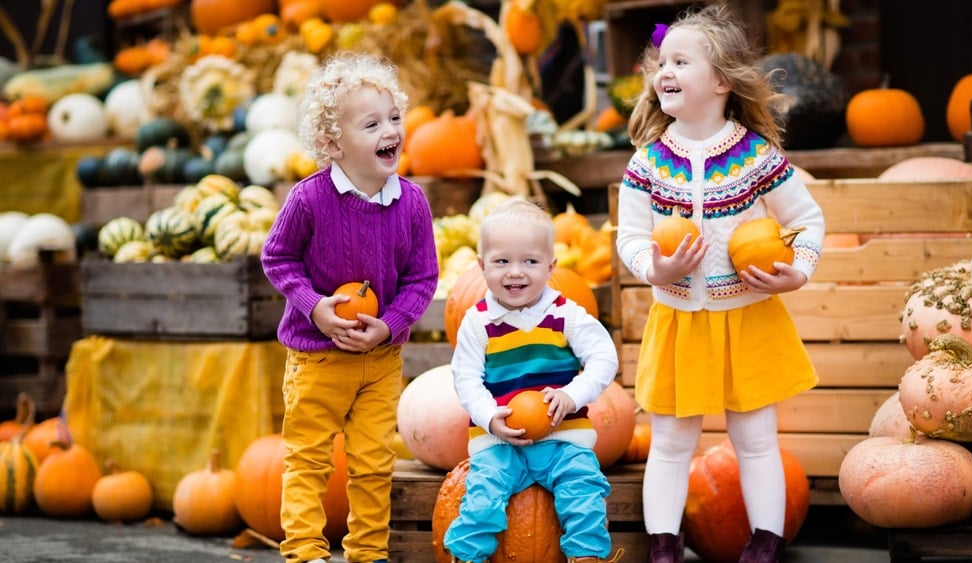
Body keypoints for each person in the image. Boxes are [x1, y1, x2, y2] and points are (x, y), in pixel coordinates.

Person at [615, 4, 825, 563]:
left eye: (681, 61)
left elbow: (807, 220)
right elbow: (630, 237)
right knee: (671, 443)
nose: (665, 71)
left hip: (749, 317)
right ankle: (664, 545)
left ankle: (764, 543)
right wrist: (654, 270)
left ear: (722, 81)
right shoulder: (648, 163)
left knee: (756, 442)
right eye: (662, 61)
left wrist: (797, 271)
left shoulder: (757, 157)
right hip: (679, 320)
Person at [261, 51, 438, 563]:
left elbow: (422, 278)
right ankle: (305, 551)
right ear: (332, 142)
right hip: (317, 357)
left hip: (379, 361)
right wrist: (313, 306)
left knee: (374, 462)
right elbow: (278, 258)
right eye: (372, 123)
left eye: (394, 118)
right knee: (309, 458)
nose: (391, 131)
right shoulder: (308, 199)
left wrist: (390, 326)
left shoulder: (412, 203)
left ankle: (367, 553)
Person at [444, 199, 623, 563]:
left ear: (551, 266)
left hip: (562, 437)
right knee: (481, 496)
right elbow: (466, 379)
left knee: (583, 489)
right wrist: (489, 416)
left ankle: (586, 556)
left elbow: (604, 358)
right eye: (501, 261)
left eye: (530, 261)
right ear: (481, 267)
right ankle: (466, 556)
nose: (515, 272)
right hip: (500, 440)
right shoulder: (477, 324)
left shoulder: (567, 315)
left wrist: (572, 396)